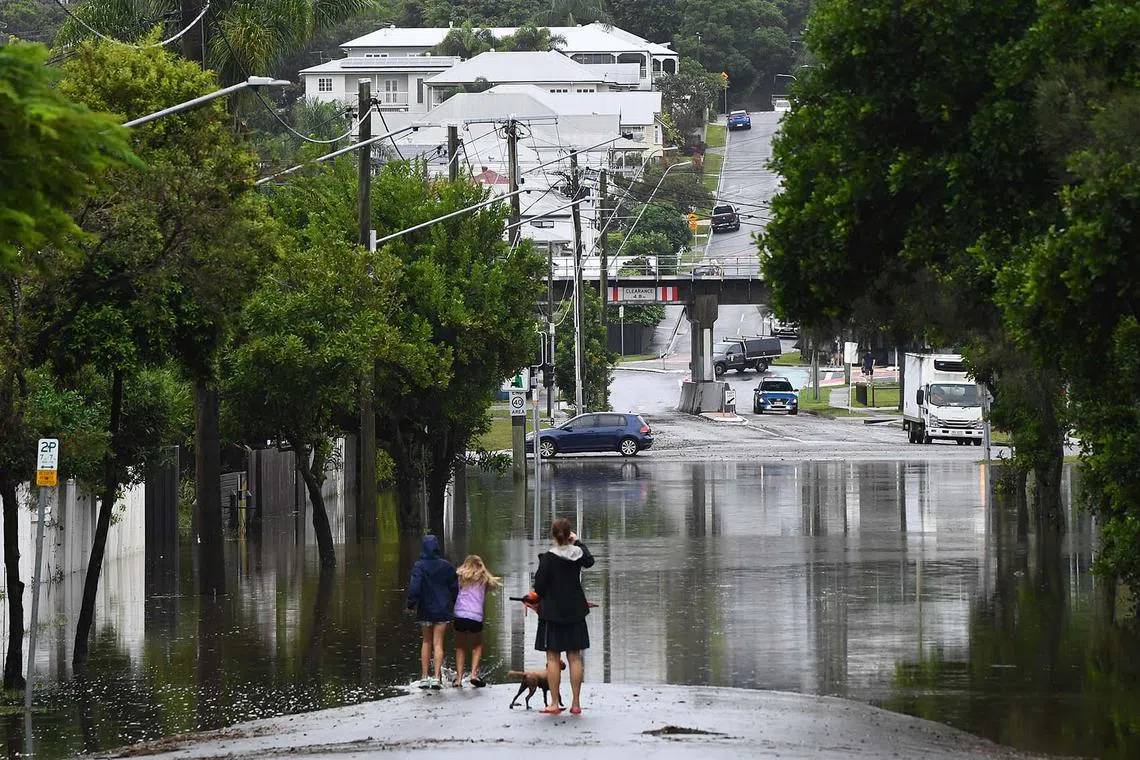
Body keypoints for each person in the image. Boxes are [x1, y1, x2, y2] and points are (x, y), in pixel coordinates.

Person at [533, 517, 594, 715]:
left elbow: (539, 586)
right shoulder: (578, 554)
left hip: (552, 613)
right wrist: (577, 542)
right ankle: (576, 703)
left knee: (552, 657)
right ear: (569, 535)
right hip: (575, 610)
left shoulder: (548, 559)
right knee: (575, 656)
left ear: (553, 535)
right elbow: (590, 560)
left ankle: (553, 702)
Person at [405, 534, 458, 689]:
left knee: (426, 641)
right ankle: (436, 677)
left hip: (425, 609)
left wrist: (410, 604)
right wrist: (456, 602)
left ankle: (424, 676)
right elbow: (454, 587)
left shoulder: (419, 566)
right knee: (438, 642)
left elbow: (415, 587)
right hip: (442, 609)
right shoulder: (446, 566)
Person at [452, 554, 501, 688]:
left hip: (460, 615)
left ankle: (458, 679)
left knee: (460, 647)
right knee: (477, 646)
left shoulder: (460, 577)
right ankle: (474, 674)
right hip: (476, 617)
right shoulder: (484, 579)